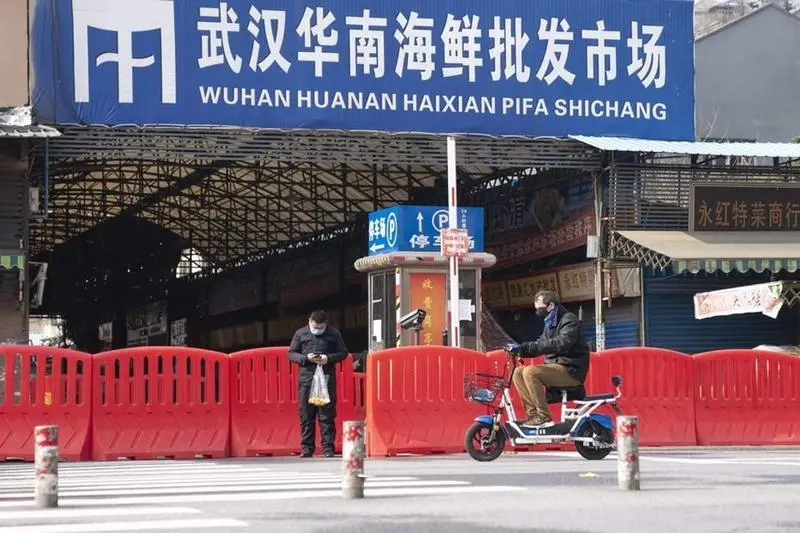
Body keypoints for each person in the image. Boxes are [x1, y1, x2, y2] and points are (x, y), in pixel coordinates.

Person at [510, 290, 590, 429]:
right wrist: (522, 350)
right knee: (518, 372)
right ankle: (533, 415)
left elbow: (561, 342)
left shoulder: (569, 320)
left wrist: (529, 347)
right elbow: (541, 343)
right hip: (556, 367)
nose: (538, 313)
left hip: (570, 369)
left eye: (540, 309)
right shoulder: (549, 324)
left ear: (551, 305)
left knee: (530, 372)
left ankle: (544, 417)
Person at [288, 310, 349, 457]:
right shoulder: (300, 333)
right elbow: (291, 353)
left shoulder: (333, 334)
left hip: (326, 380)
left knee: (326, 416)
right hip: (307, 380)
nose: (317, 330)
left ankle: (328, 448)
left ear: (325, 325)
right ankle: (307, 448)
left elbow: (343, 353)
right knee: (306, 415)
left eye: (320, 328)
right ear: (309, 321)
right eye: (315, 327)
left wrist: (327, 358)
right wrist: (306, 358)